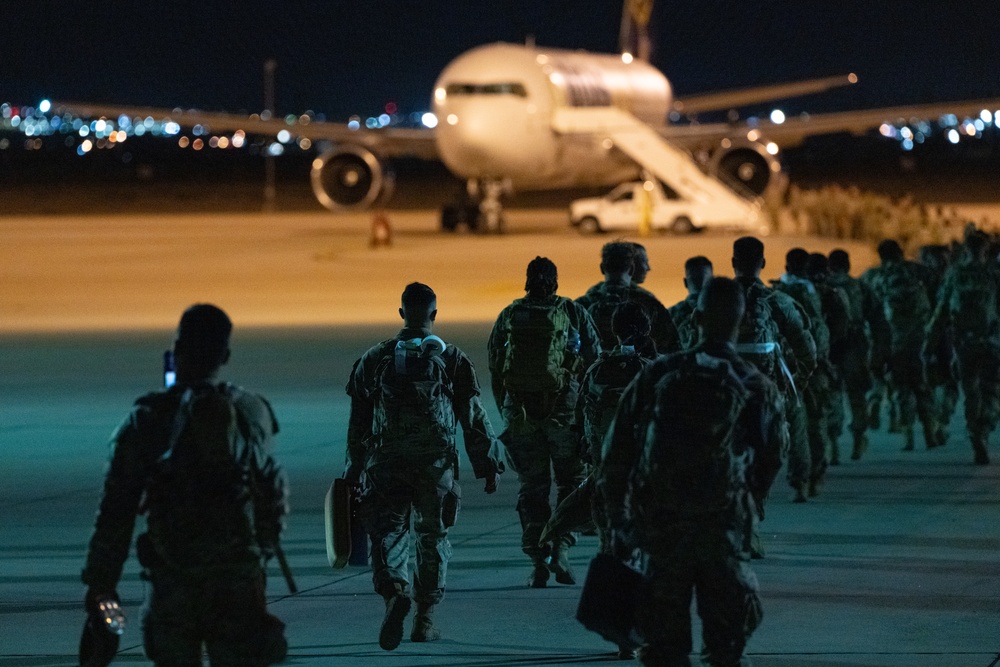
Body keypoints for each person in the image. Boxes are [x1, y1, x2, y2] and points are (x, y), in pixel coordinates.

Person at [81, 304, 289, 667]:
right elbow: (271, 492)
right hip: (238, 585)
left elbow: (115, 514)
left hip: (173, 587)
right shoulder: (253, 411)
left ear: (177, 350)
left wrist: (102, 591)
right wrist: (259, 559)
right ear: (224, 354)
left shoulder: (147, 419)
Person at [598, 277, 785, 667]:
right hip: (723, 534)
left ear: (696, 318)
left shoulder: (658, 374)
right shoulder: (756, 385)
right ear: (742, 318)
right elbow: (772, 458)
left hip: (662, 533)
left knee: (663, 653)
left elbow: (616, 453)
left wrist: (620, 521)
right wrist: (744, 506)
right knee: (726, 652)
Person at [346, 282, 504, 650]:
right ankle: (424, 619)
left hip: (385, 464)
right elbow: (473, 416)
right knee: (432, 539)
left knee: (388, 534)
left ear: (401, 313)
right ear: (434, 314)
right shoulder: (452, 358)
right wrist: (487, 463)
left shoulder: (375, 357)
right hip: (436, 468)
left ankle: (394, 593)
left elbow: (358, 421)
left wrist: (354, 466)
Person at [489, 256, 601, 588]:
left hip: (521, 415)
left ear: (527, 281)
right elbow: (594, 361)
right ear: (555, 281)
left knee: (532, 488)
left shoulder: (510, 315)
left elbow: (497, 367)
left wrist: (507, 414)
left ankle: (538, 561)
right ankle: (561, 550)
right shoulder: (572, 312)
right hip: (564, 414)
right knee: (571, 484)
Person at [731, 237, 816, 517]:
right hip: (770, 391)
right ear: (763, 263)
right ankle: (798, 483)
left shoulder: (718, 300)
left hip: (725, 391)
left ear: (733, 263)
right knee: (794, 426)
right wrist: (796, 382)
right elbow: (806, 348)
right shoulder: (777, 301)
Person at [924, 231, 1000, 464]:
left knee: (970, 392)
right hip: (991, 343)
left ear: (965, 249)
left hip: (963, 344)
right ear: (986, 250)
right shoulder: (994, 274)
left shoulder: (955, 274)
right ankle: (983, 431)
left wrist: (929, 343)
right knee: (990, 391)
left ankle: (973, 432)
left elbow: (941, 311)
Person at [862, 239, 942, 451]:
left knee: (901, 387)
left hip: (892, 340)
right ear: (900, 252)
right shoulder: (916, 271)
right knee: (922, 385)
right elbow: (939, 287)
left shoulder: (873, 276)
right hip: (919, 339)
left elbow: (865, 305)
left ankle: (907, 433)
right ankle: (929, 430)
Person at [772, 248, 831, 499]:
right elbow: (821, 330)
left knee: (794, 424)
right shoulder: (813, 292)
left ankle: (799, 479)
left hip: (782, 367)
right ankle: (811, 476)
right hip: (810, 365)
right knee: (815, 422)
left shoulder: (775, 292)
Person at [576, 240, 681, 354]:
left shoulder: (581, 305)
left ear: (602, 268)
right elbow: (672, 349)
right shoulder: (648, 304)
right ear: (631, 269)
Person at [827, 249, 876, 460]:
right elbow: (877, 318)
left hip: (829, 345)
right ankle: (858, 439)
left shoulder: (823, 287)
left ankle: (833, 444)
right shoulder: (859, 286)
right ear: (847, 265)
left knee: (831, 393)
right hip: (855, 344)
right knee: (856, 394)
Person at [668, 255, 713, 349]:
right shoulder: (670, 314)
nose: (700, 282)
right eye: (695, 278)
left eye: (703, 277)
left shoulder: (670, 314)